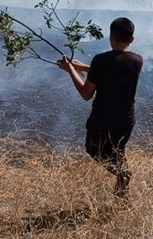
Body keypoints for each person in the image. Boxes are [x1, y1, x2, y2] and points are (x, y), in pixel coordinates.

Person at [58, 17, 143, 195]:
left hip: (103, 121)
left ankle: (123, 174)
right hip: (126, 121)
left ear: (110, 37)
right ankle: (121, 196)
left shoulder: (100, 60)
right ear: (132, 39)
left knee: (93, 148)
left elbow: (86, 94)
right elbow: (114, 68)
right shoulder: (137, 61)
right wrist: (83, 67)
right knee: (117, 151)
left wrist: (70, 70)